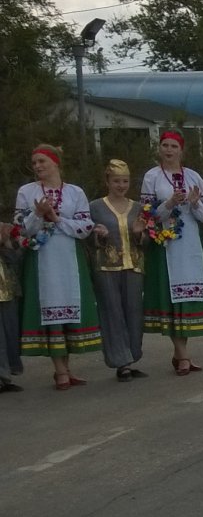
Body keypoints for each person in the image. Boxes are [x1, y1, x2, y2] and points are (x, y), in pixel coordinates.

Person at [15, 144, 101, 388]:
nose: (37, 167)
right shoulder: (27, 192)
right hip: (43, 260)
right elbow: (21, 229)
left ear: (55, 163)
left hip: (69, 259)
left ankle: (66, 367)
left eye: (42, 161)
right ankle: (60, 370)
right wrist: (38, 215)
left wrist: (56, 218)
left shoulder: (75, 192)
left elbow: (85, 227)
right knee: (50, 307)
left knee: (70, 307)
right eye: (34, 163)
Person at [140, 130, 203, 375]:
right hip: (165, 244)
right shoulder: (152, 177)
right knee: (170, 297)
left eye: (173, 146)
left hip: (190, 243)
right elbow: (148, 215)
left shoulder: (194, 176)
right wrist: (170, 203)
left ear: (181, 150)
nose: (169, 150)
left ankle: (180, 353)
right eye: (165, 145)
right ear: (159, 149)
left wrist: (194, 203)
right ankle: (183, 356)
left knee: (186, 297)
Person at [88, 160, 148, 381]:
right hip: (106, 266)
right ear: (107, 181)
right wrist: (98, 234)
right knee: (112, 312)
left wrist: (140, 234)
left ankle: (131, 357)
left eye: (125, 181)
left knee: (133, 312)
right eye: (116, 181)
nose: (121, 185)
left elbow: (146, 241)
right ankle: (120, 362)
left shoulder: (138, 207)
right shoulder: (95, 207)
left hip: (134, 265)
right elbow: (87, 236)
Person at [0, 220, 23, 391]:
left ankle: (5, 376)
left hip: (7, 290)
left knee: (10, 334)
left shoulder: (4, 228)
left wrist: (8, 242)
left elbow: (16, 260)